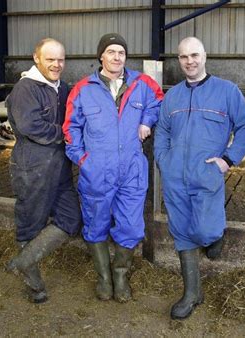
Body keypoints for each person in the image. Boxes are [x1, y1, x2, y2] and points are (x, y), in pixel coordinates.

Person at [154, 37, 245, 319]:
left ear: (205, 56)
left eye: (195, 55)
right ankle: (192, 293)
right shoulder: (172, 96)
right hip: (175, 176)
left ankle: (214, 237)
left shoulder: (226, 91)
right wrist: (164, 159)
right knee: (181, 233)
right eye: (184, 56)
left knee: (204, 230)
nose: (190, 61)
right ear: (179, 60)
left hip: (206, 175)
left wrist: (227, 159)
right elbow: (161, 131)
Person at [63, 33, 163, 303]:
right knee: (96, 224)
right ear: (101, 56)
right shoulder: (83, 89)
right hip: (97, 170)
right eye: (111, 52)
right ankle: (103, 278)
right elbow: (70, 128)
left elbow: (158, 100)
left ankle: (120, 275)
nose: (117, 56)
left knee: (131, 226)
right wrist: (83, 160)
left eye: (121, 52)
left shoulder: (142, 83)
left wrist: (147, 120)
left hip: (131, 169)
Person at [6, 38, 82, 303]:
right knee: (30, 223)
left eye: (60, 59)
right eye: (50, 59)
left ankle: (22, 261)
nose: (56, 64)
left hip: (59, 168)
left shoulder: (62, 89)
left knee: (71, 218)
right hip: (32, 167)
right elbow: (30, 126)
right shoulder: (26, 88)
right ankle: (34, 284)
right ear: (36, 58)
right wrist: (66, 134)